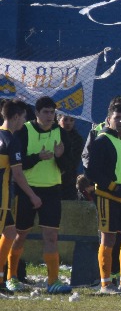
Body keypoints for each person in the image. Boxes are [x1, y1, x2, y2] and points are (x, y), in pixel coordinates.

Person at [8, 97, 68, 293]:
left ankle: (53, 281)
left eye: (52, 112)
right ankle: (11, 276)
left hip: (52, 190)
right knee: (20, 234)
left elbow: (68, 166)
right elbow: (17, 163)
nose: (50, 116)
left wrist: (60, 157)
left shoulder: (60, 132)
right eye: (46, 112)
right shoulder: (24, 131)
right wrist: (37, 157)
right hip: (27, 190)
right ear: (36, 113)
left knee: (51, 236)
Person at [85, 101, 121, 293]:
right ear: (109, 119)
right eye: (117, 118)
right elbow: (92, 171)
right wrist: (113, 187)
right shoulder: (102, 141)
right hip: (107, 197)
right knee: (108, 239)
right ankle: (106, 284)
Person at [0, 101, 38, 293]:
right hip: (2, 198)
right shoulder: (12, 140)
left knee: (10, 233)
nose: (24, 121)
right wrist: (32, 195)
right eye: (23, 117)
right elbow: (18, 174)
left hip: (4, 198)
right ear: (16, 117)